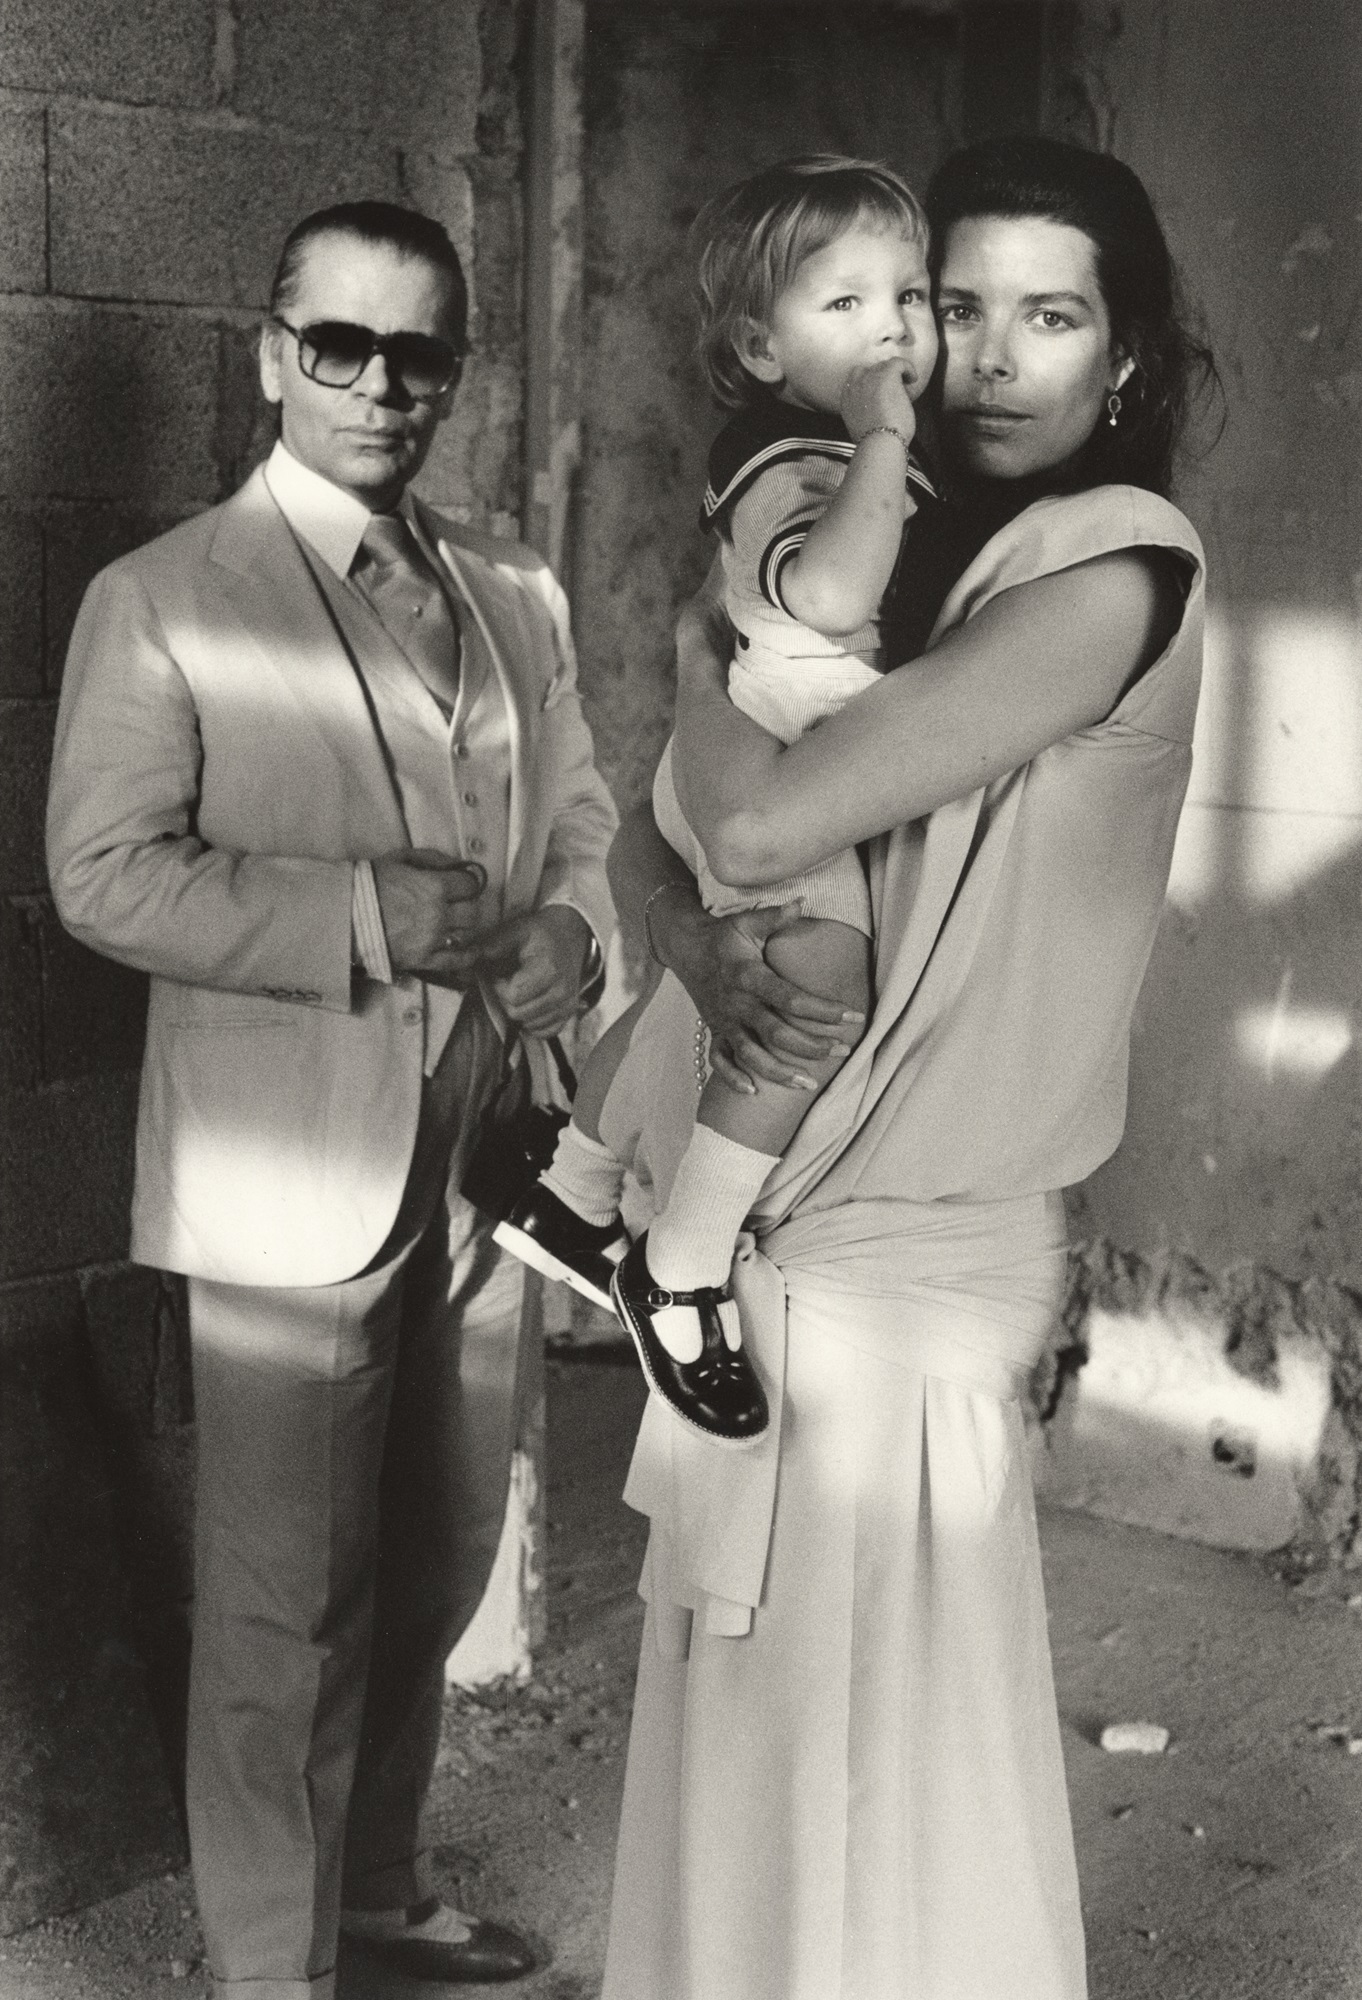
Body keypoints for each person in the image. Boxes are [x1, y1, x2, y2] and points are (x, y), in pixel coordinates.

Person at [598, 135, 1216, 1999]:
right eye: (957, 307)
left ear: (1124, 353)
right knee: (766, 1751)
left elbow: (750, 819)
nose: (994, 355)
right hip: (785, 1216)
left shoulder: (1112, 566)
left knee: (882, 1765)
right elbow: (654, 837)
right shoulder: (888, 546)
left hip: (905, 1243)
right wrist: (684, 926)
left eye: (1053, 316)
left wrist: (702, 666)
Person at [45, 201, 617, 1998]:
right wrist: (356, 916)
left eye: (418, 353)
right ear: (273, 355)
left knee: (443, 1551)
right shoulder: (162, 597)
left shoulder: (513, 588)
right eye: (339, 346)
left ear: (455, 372)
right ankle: (269, 1968)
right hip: (287, 1161)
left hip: (487, 1141)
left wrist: (579, 937)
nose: (379, 384)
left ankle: (372, 1890)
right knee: (283, 1600)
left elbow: (585, 817)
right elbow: (101, 876)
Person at [496, 157, 941, 1447]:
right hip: (775, 758)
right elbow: (834, 596)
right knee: (818, 985)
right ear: (759, 347)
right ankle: (680, 1267)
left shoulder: (821, 444)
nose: (893, 332)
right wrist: (888, 438)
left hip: (741, 750)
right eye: (846, 304)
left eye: (910, 297)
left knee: (695, 992)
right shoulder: (798, 459)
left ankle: (572, 1187)